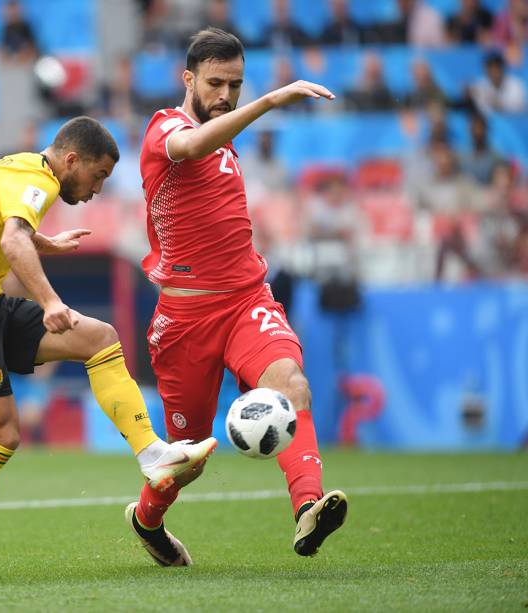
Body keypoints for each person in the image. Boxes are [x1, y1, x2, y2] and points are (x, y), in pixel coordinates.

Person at [0, 116, 217, 580]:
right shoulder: (36, 177)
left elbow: (2, 227)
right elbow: (11, 239)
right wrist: (50, 301)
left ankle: (151, 454)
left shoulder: (25, 170)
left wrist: (45, 241)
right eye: (98, 175)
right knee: (2, 434)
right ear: (71, 159)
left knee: (99, 337)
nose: (96, 189)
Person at [130, 27, 348, 567]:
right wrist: (270, 100)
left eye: (236, 84)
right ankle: (147, 519)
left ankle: (308, 506)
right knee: (190, 456)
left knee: (291, 383)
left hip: (246, 301)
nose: (226, 94)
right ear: (188, 79)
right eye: (215, 83)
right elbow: (191, 144)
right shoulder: (166, 128)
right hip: (183, 320)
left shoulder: (223, 136)